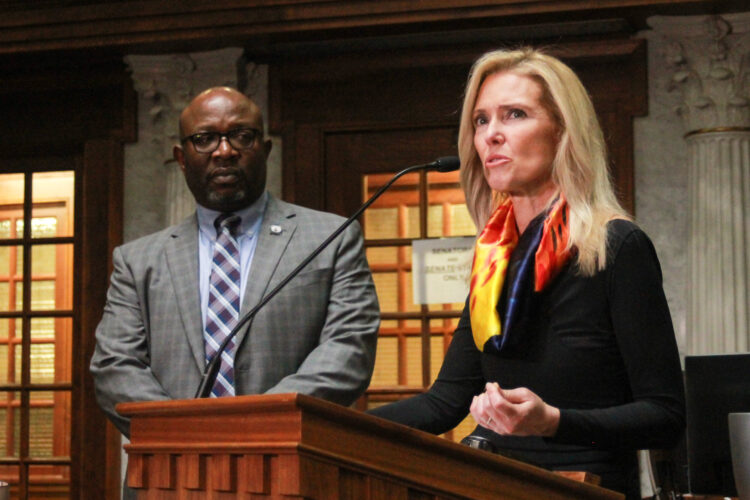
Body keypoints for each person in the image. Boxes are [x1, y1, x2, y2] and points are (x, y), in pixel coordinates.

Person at [369, 48, 685, 499]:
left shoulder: (616, 248)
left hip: (583, 487)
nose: (491, 135)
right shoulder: (494, 258)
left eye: (514, 115)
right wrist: (326, 423)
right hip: (489, 484)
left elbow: (665, 415)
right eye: (481, 121)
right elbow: (444, 403)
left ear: (563, 132)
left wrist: (553, 421)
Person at [91, 86, 380, 438]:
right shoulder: (138, 261)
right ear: (181, 158)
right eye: (205, 139)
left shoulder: (331, 238)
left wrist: (250, 428)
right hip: (169, 473)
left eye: (241, 136)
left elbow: (348, 351)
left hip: (288, 464)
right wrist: (188, 438)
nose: (224, 151)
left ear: (266, 150)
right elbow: (115, 366)